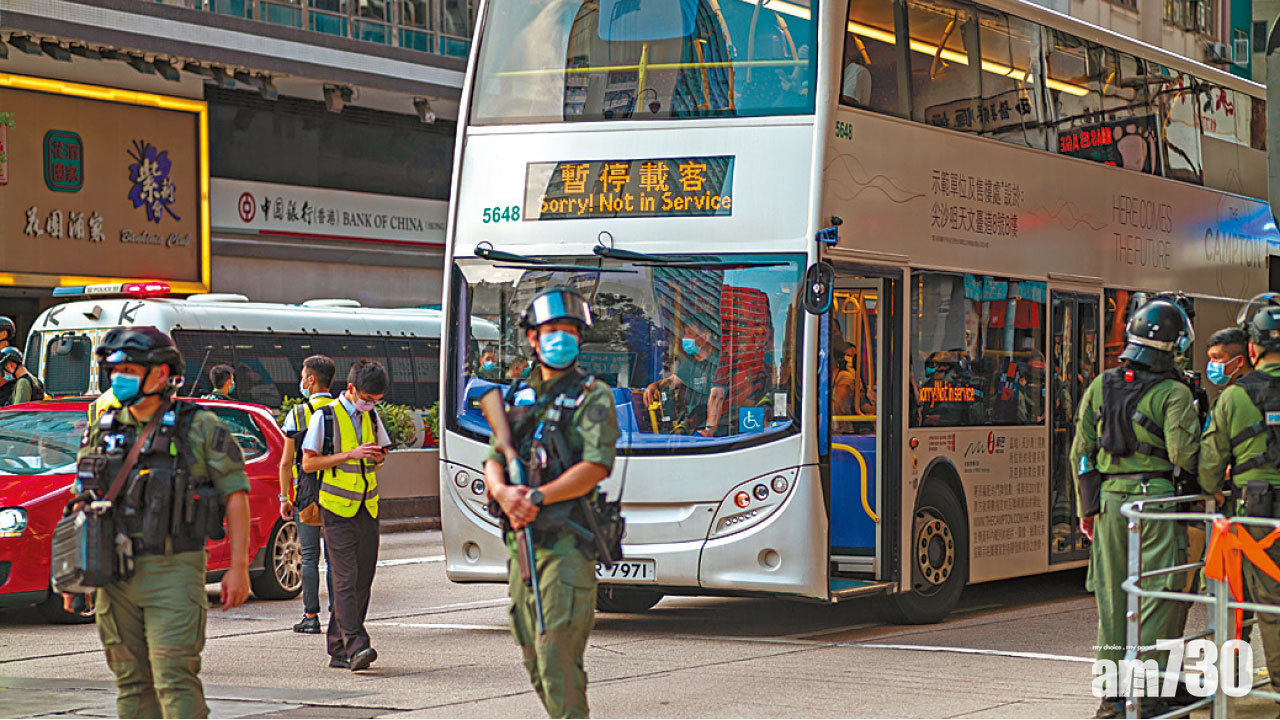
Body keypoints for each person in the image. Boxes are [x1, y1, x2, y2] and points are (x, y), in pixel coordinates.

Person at [65, 326, 251, 718]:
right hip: (113, 574)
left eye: (130, 369)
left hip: (174, 569)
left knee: (174, 678)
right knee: (131, 685)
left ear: (162, 374)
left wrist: (238, 568)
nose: (120, 378)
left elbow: (235, 493)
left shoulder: (199, 426)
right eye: (115, 370)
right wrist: (72, 576)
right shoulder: (102, 428)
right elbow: (83, 501)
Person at [483, 286, 620, 719]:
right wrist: (505, 494)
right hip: (521, 542)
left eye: (569, 331)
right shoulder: (516, 396)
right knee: (532, 653)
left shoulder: (591, 395)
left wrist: (537, 496)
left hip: (566, 541)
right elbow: (492, 460)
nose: (561, 338)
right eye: (551, 330)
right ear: (532, 338)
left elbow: (596, 466)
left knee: (555, 650)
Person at [1070, 298, 1199, 719]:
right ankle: (1149, 696)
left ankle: (1111, 698)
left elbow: (1080, 454)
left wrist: (1088, 510)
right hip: (1157, 503)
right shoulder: (1175, 393)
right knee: (1156, 598)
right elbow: (1184, 454)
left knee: (1111, 599)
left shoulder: (1101, 384)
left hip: (1109, 505)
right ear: (1174, 345)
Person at [1200, 301, 1280, 704]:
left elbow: (1210, 465)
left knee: (1261, 598)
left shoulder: (1234, 398)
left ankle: (1238, 679)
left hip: (1256, 515)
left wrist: (1215, 486)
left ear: (1252, 350)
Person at [300, 359, 390, 671]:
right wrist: (349, 455)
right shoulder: (325, 416)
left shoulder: (373, 416)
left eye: (376, 401)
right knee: (345, 578)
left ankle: (338, 647)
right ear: (351, 389)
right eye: (366, 399)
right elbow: (308, 463)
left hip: (368, 507)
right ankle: (356, 644)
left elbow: (379, 458)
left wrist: (377, 458)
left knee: (363, 580)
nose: (370, 405)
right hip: (336, 509)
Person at [278, 354, 338, 634]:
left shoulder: (297, 413)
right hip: (340, 492)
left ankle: (311, 617)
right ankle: (339, 614)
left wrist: (284, 497)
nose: (300, 380)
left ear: (311, 380)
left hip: (308, 493)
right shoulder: (343, 410)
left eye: (303, 375)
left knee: (311, 556)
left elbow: (286, 462)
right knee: (337, 557)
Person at [643, 320, 726, 436]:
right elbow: (673, 380)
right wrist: (656, 385)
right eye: (685, 333)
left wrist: (710, 429)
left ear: (706, 337)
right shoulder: (692, 361)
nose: (685, 338)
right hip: (691, 426)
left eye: (690, 334)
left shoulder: (718, 361)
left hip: (714, 431)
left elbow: (717, 396)